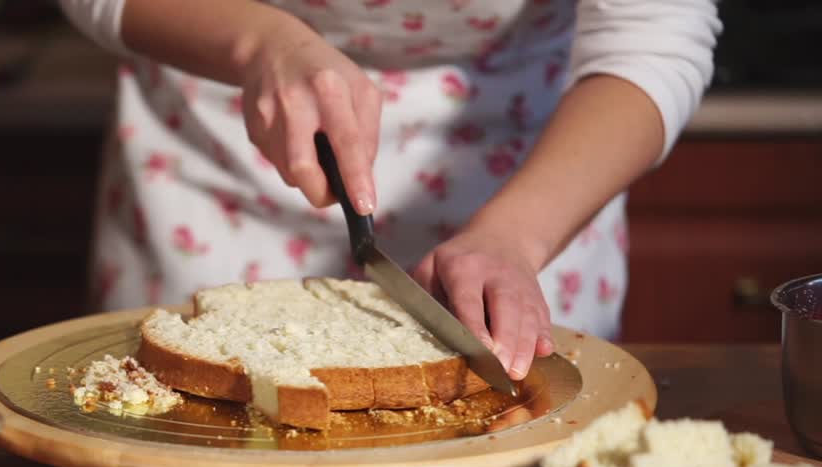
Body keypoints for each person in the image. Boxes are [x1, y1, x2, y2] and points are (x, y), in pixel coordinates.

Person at [57, 0, 720, 380]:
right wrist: (263, 44)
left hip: (531, 175)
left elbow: (654, 41)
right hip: (216, 167)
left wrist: (513, 238)